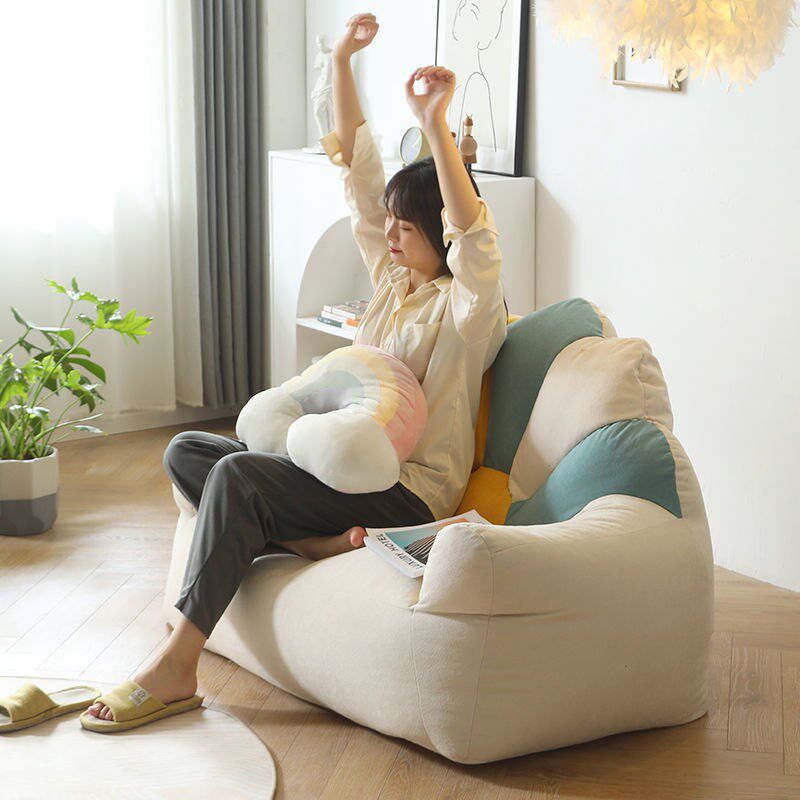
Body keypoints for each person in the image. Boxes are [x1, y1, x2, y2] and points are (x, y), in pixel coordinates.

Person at [85, 10, 508, 726]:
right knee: (189, 450)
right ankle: (308, 544)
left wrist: (436, 125)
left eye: (407, 225)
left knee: (239, 478)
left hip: (403, 493)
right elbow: (360, 173)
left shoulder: (467, 312)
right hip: (336, 470)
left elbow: (474, 236)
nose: (390, 232)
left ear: (438, 235)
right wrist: (342, 60)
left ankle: (178, 664)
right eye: (392, 222)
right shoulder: (393, 282)